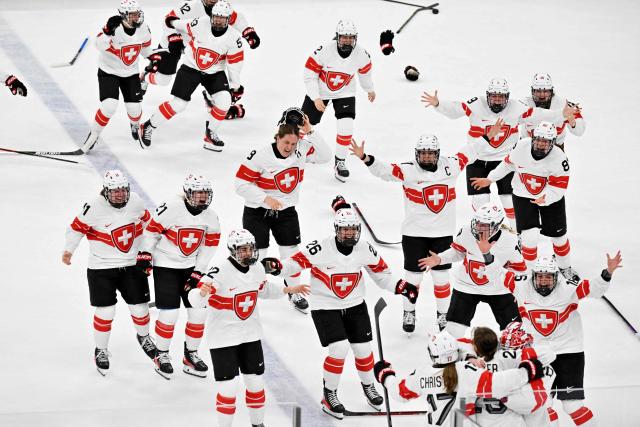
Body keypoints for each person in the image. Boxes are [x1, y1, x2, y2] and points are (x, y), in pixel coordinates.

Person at [264, 207, 419, 419]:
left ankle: (369, 386)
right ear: (336, 229)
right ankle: (329, 395)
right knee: (339, 347)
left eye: (353, 229)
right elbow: (294, 264)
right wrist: (278, 267)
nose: (349, 233)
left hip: (355, 304)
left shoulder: (364, 249)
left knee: (364, 350)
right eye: (345, 230)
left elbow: (382, 274)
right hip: (325, 305)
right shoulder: (320, 248)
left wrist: (401, 286)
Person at [349, 135, 475, 333]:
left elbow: (469, 151)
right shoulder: (408, 170)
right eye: (422, 153)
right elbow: (385, 171)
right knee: (413, 279)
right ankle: (409, 312)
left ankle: (443, 315)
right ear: (417, 154)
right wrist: (365, 157)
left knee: (441, 279)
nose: (426, 157)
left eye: (430, 154)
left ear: (437, 154)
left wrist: (487, 136)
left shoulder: (451, 166)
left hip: (442, 234)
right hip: (414, 234)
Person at [188, 229, 309, 427]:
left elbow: (263, 289)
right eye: (242, 249)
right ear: (232, 250)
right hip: (223, 338)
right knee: (228, 388)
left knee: (256, 384)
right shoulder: (219, 270)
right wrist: (201, 293)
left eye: (250, 249)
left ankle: (258, 424)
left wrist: (287, 289)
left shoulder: (257, 269)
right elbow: (195, 300)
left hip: (250, 335)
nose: (248, 253)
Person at [421, 78, 579, 228]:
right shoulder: (476, 104)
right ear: (487, 96)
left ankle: (516, 234)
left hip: (505, 160)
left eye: (501, 97)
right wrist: (438, 104)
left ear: (508, 97)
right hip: (477, 159)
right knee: (480, 201)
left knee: (509, 201)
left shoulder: (517, 108)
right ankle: (485, 231)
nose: (497, 100)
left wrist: (561, 114)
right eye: (494, 96)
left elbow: (539, 114)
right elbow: (456, 109)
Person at [503, 253, 623, 427]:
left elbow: (594, 290)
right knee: (542, 404)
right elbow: (496, 275)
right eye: (540, 277)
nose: (544, 281)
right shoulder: (521, 285)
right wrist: (487, 255)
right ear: (533, 276)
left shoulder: (568, 288)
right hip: (539, 354)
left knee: (572, 405)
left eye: (548, 277)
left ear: (556, 278)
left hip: (569, 352)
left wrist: (607, 272)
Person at [234, 108, 330, 313]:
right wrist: (265, 198)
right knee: (256, 256)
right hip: (257, 211)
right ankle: (251, 291)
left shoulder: (302, 148)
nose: (290, 147)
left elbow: (326, 156)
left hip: (286, 212)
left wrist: (311, 131)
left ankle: (293, 291)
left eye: (293, 143)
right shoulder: (260, 155)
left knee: (291, 254)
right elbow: (240, 184)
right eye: (286, 142)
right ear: (277, 137)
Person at [62, 170, 156, 375]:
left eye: (123, 190)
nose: (120, 195)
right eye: (115, 191)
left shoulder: (136, 202)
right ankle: (101, 349)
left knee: (140, 308)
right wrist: (69, 250)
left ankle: (144, 337)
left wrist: (150, 250)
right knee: (106, 311)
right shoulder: (93, 207)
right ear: (105, 191)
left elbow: (152, 225)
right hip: (101, 267)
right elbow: (76, 229)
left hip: (132, 265)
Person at [471, 121, 580, 283]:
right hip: (523, 195)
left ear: (553, 142)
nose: (541, 144)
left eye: (546, 141)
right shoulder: (521, 147)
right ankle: (529, 272)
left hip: (551, 198)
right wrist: (490, 178)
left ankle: (565, 267)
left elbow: (559, 187)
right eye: (538, 140)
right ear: (532, 137)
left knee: (559, 238)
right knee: (529, 237)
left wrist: (547, 198)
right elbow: (507, 165)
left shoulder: (559, 158)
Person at [138, 174, 221, 379]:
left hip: (190, 267)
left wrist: (198, 271)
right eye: (198, 193)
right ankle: (162, 354)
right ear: (187, 193)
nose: (202, 198)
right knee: (169, 314)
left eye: (205, 193)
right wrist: (146, 253)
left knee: (199, 313)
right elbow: (151, 232)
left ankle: (190, 355)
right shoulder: (171, 207)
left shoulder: (210, 216)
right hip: (166, 265)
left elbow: (210, 245)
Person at [373, 330, 546, 426]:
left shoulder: (421, 374)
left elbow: (399, 393)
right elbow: (498, 384)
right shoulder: (466, 372)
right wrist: (526, 371)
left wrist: (385, 374)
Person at [139, 0, 243, 151]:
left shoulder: (234, 38)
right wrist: (173, 31)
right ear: (211, 16)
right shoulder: (200, 23)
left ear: (228, 19)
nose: (218, 20)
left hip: (214, 73)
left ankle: (210, 135)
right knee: (178, 104)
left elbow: (234, 65)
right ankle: (148, 126)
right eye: (216, 16)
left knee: (225, 100)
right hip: (190, 68)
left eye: (222, 17)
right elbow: (173, 22)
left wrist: (235, 86)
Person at [419, 203, 527, 338]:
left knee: (515, 334)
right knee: (452, 333)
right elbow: (459, 252)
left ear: (497, 225)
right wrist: (440, 259)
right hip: (467, 286)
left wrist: (514, 290)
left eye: (485, 225)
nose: (479, 228)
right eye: (478, 223)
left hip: (498, 289)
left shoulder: (510, 240)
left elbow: (519, 271)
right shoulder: (466, 231)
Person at [301, 19, 375, 182]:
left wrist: (369, 89)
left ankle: (340, 162)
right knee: (301, 124)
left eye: (351, 37)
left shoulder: (362, 54)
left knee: (346, 128)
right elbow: (309, 74)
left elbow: (365, 74)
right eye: (344, 37)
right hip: (321, 91)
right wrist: (316, 97)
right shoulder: (324, 50)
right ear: (337, 37)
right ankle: (288, 150)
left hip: (345, 92)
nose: (347, 41)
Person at [81, 0, 152, 153]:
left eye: (138, 14)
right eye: (133, 14)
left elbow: (146, 51)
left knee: (134, 110)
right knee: (109, 106)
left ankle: (134, 124)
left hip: (131, 73)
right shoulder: (114, 29)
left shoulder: (144, 29)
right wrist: (107, 31)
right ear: (124, 15)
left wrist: (156, 58)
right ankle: (93, 135)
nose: (137, 17)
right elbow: (99, 45)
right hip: (109, 72)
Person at [472, 324, 555, 426]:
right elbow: (530, 403)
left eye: (513, 348)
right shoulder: (506, 359)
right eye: (505, 348)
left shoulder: (475, 367)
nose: (507, 351)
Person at [521, 73, 586, 150]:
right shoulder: (524, 104)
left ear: (551, 91)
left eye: (545, 91)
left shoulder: (563, 105)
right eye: (538, 91)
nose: (542, 95)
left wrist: (573, 124)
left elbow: (580, 132)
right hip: (528, 147)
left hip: (555, 148)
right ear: (532, 91)